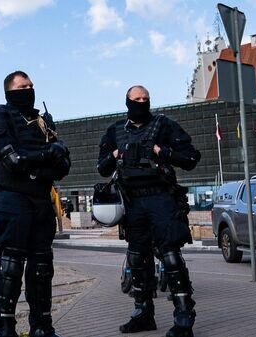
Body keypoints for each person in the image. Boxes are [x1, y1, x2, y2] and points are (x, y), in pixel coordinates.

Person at [97, 85, 201, 337]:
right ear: (127, 102)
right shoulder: (115, 131)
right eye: (137, 99)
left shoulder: (164, 125)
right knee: (137, 258)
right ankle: (143, 313)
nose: (141, 103)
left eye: (145, 99)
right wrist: (114, 154)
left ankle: (184, 318)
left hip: (161, 199)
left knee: (170, 256)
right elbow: (101, 168)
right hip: (132, 203)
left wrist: (161, 152)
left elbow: (190, 158)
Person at [0, 70, 70, 337]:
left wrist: (39, 162)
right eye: (23, 86)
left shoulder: (42, 121)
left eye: (31, 85)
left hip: (41, 199)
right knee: (10, 265)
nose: (29, 88)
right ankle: (4, 328)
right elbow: (13, 161)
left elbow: (63, 166)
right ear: (10, 90)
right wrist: (47, 155)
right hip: (12, 197)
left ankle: (42, 327)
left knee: (42, 267)